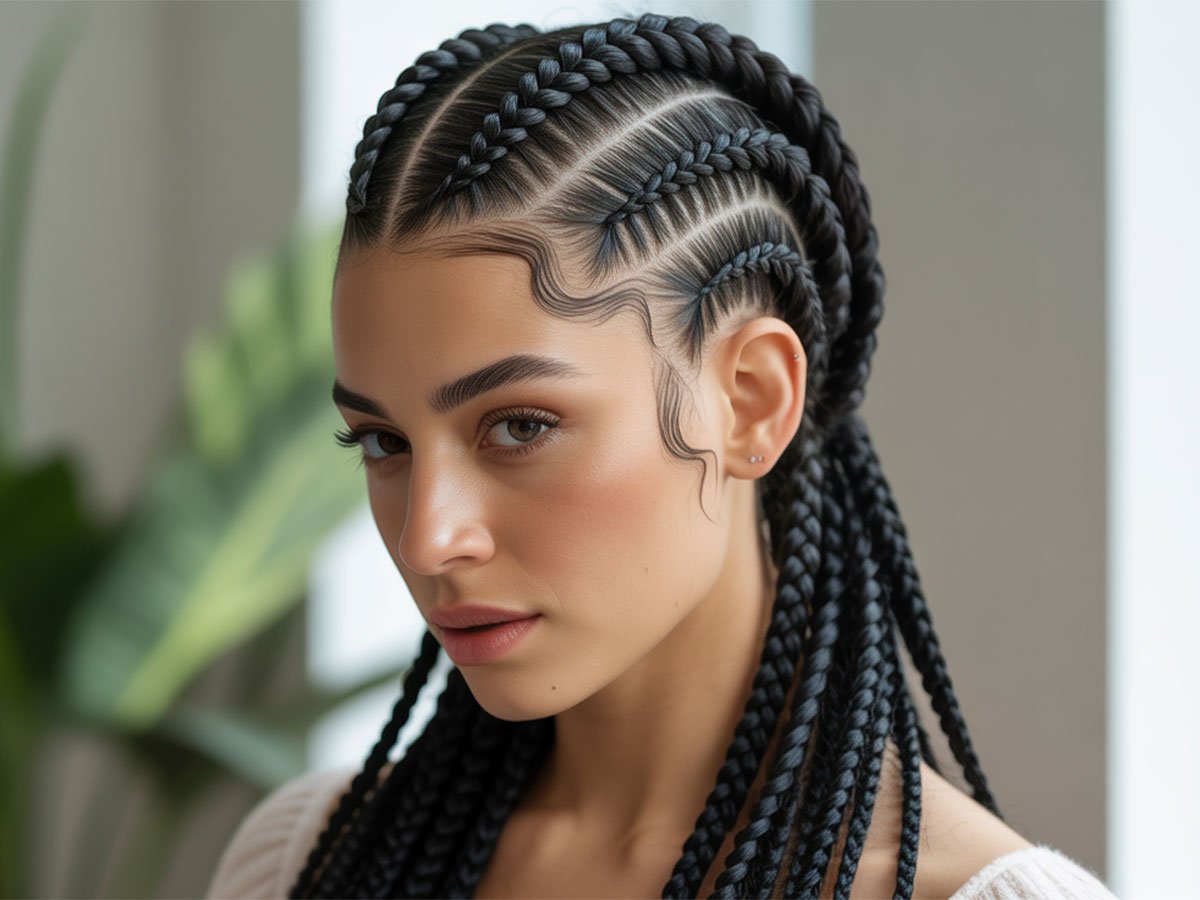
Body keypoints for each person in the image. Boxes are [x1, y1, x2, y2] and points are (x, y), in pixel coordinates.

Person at [207, 14, 1117, 899]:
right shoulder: (307, 863)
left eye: (520, 426)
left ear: (751, 401)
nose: (427, 538)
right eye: (384, 442)